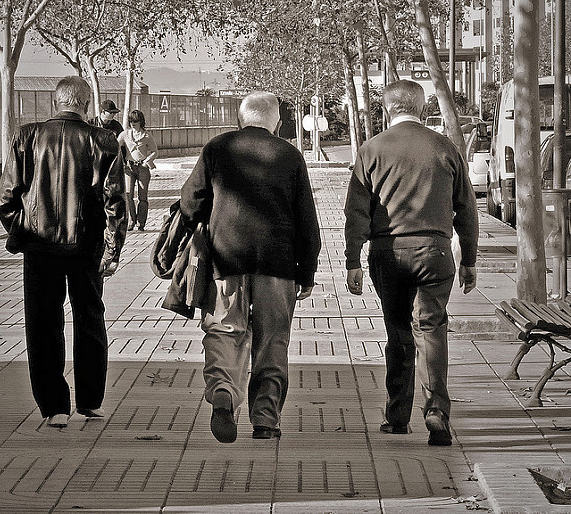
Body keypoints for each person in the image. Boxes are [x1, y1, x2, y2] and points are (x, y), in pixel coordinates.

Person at [180, 91, 321, 442]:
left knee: (223, 331)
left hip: (226, 261)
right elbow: (307, 220)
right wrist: (307, 272)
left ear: (240, 119)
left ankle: (223, 392)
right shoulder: (289, 155)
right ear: (275, 121)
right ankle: (265, 420)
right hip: (278, 265)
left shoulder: (217, 148)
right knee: (273, 341)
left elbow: (190, 202)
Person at [343, 79, 478, 447]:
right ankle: (436, 410)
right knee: (432, 328)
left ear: (387, 109)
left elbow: (356, 211)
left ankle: (397, 416)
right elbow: (466, 208)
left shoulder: (371, 150)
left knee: (398, 332)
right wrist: (469, 257)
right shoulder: (445, 147)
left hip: (388, 252)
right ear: (422, 108)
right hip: (435, 251)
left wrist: (352, 258)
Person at [0, 76, 127, 428]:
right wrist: (112, 250)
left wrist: (23, 232)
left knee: (42, 324)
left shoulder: (28, 136)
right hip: (87, 246)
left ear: (56, 103)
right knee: (90, 319)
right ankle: (90, 401)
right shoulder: (104, 141)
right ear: (86, 105)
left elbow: (5, 198)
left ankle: (54, 407)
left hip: (40, 248)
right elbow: (115, 202)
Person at [118, 109, 158, 231]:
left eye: (135, 121)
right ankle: (131, 220)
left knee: (143, 196)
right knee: (128, 195)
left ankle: (141, 223)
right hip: (129, 168)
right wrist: (121, 162)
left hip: (142, 168)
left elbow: (155, 151)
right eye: (131, 121)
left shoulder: (146, 136)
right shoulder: (125, 134)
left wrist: (147, 162)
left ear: (141, 121)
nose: (133, 123)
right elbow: (115, 147)